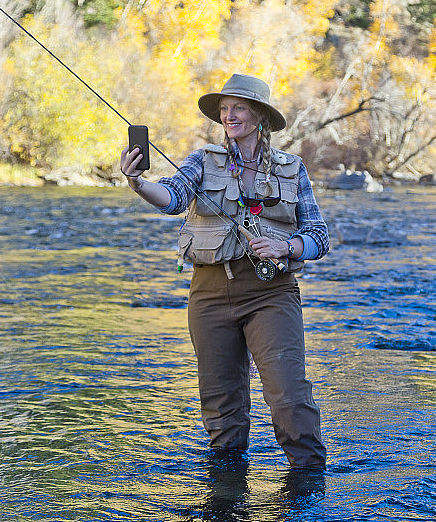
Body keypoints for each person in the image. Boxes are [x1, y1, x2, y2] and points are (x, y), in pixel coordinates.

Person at [119, 73, 328, 469]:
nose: (229, 116)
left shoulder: (292, 168)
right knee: (221, 401)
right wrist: (138, 183)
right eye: (225, 110)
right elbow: (173, 198)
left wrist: (286, 246)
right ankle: (227, 491)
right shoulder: (203, 160)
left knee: (289, 394)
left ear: (260, 116)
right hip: (210, 295)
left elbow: (319, 234)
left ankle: (308, 484)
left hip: (271, 293)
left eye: (239, 108)